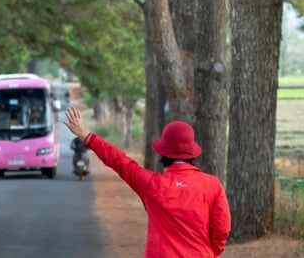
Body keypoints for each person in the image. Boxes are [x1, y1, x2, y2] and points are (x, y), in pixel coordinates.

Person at [63, 107, 231, 258]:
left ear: (163, 153)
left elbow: (119, 161)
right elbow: (222, 229)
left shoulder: (151, 184)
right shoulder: (213, 185)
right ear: (192, 152)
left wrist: (86, 135)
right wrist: (211, 252)